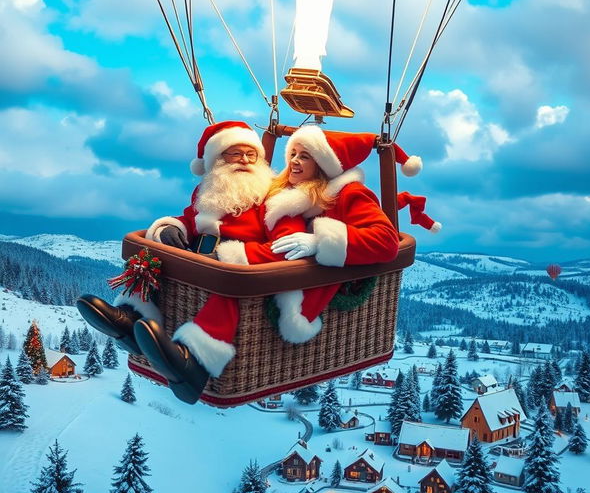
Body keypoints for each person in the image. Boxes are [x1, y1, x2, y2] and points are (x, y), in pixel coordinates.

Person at [77, 120, 306, 404]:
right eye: (235, 153)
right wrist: (173, 228)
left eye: (251, 154)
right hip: (197, 262)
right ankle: (131, 318)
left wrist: (231, 259)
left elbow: (288, 244)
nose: (245, 161)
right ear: (217, 161)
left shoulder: (276, 199)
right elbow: (191, 219)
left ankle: (193, 363)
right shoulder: (209, 191)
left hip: (240, 270)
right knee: (150, 260)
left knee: (228, 288)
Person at [266, 125, 431, 344]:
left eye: (304, 156)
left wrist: (321, 242)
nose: (294, 161)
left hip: (328, 288)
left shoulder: (351, 193)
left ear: (322, 165)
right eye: (293, 154)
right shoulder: (293, 193)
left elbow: (386, 240)